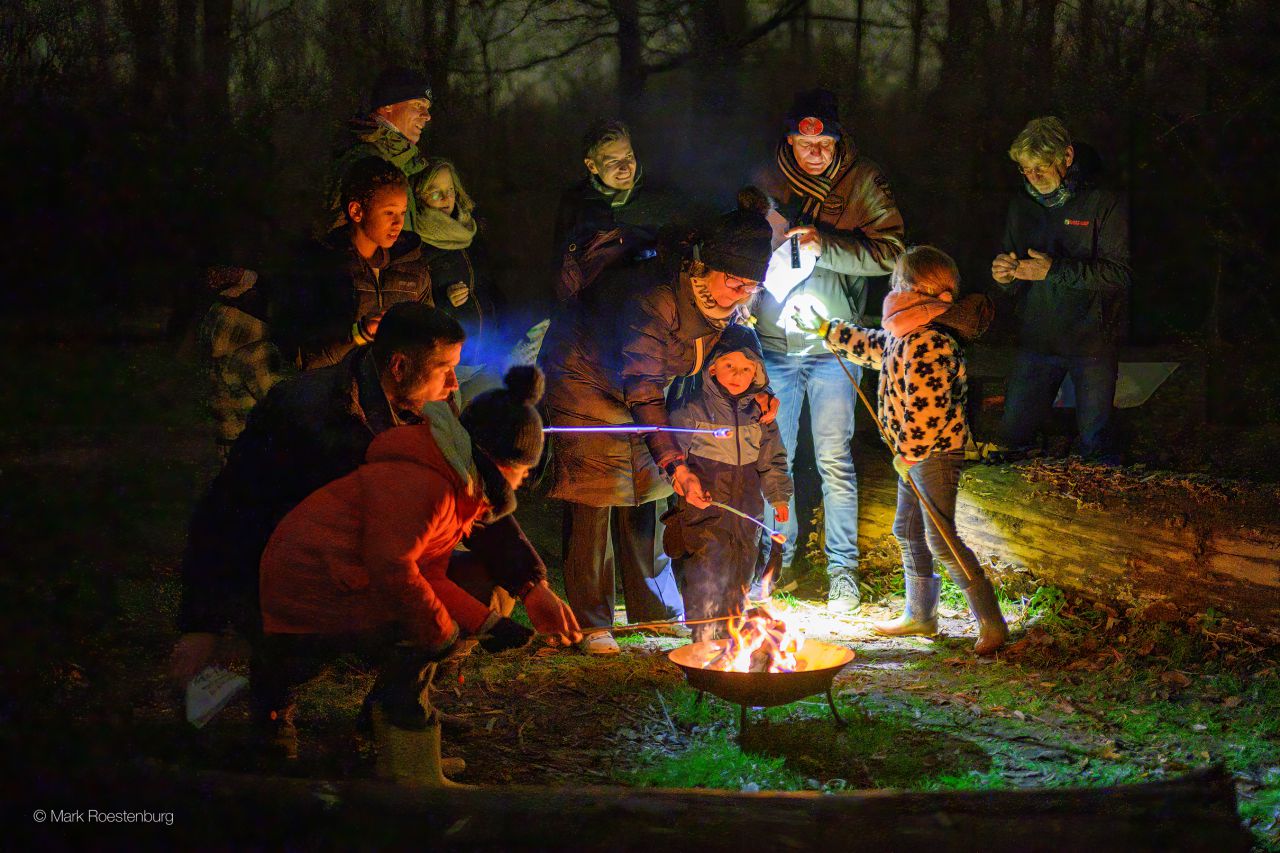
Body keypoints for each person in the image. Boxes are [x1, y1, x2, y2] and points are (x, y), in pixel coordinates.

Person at [170, 304, 578, 717]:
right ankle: (276, 702)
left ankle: (397, 706)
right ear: (399, 365)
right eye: (443, 368)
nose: (455, 384)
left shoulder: (433, 409)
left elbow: (472, 494)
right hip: (311, 568)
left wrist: (531, 586)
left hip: (381, 562)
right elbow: (230, 506)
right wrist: (201, 622)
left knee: (481, 588)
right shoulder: (306, 412)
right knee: (380, 605)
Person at [257, 366, 569, 783]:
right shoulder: (427, 486)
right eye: (525, 468)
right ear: (500, 461)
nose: (527, 478)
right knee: (424, 636)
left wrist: (489, 625)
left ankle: (400, 748)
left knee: (433, 627)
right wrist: (441, 632)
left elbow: (431, 575)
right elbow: (394, 568)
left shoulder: (453, 482)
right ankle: (409, 763)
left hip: (346, 582)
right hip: (316, 593)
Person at [541, 187, 777, 655]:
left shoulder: (724, 299)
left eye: (752, 287)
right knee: (596, 492)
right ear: (706, 267)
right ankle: (593, 622)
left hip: (638, 389)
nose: (742, 294)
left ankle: (651, 606)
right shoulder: (656, 300)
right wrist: (676, 462)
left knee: (646, 489)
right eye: (736, 283)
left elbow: (734, 348)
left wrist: (757, 392)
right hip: (582, 378)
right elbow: (643, 388)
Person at [796, 246, 1008, 654]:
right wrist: (829, 330)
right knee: (907, 530)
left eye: (898, 280)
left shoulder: (930, 339)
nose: (893, 285)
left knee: (941, 538)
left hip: (935, 455)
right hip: (914, 455)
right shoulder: (908, 331)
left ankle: (991, 623)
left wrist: (909, 453)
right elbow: (879, 348)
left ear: (914, 287)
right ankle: (921, 615)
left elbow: (928, 409)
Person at [751, 88, 906, 612]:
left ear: (838, 140)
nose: (812, 152)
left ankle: (843, 571)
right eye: (803, 142)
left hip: (831, 343)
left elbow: (893, 252)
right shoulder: (764, 181)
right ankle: (778, 563)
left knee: (834, 460)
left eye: (823, 143)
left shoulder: (863, 181)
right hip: (773, 343)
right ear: (789, 140)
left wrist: (827, 246)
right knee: (779, 459)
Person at [991, 116, 1131, 462]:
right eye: (1025, 170)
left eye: (1041, 167)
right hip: (1038, 338)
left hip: (1093, 342)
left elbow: (1120, 274)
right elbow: (1014, 271)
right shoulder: (1022, 206)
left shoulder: (1104, 203)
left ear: (1066, 157)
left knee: (1095, 443)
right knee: (1011, 438)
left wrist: (1054, 270)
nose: (1033, 178)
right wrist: (1003, 276)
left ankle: (1097, 508)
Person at [662, 325, 792, 643]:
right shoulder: (692, 411)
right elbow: (671, 453)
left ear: (758, 373)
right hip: (704, 510)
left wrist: (778, 496)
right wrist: (681, 485)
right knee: (706, 564)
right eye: (730, 365)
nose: (737, 374)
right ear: (713, 367)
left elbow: (772, 459)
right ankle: (703, 631)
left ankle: (731, 628)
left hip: (747, 510)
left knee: (742, 561)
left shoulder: (760, 417)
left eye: (747, 368)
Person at [292, 156, 434, 370]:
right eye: (389, 212)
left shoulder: (412, 266)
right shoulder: (322, 268)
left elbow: (430, 334)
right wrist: (360, 334)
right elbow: (307, 359)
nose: (398, 222)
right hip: (338, 394)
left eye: (402, 213)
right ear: (356, 211)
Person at [552, 119, 703, 301]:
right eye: (613, 161)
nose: (625, 168)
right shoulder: (576, 202)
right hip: (593, 305)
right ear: (592, 166)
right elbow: (560, 260)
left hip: (650, 301)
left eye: (628, 157)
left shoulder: (658, 194)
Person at [412, 158, 502, 403]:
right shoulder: (417, 242)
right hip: (450, 366)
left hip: (487, 356)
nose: (445, 198)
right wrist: (444, 300)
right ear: (419, 196)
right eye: (435, 192)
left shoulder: (471, 232)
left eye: (449, 191)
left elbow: (489, 287)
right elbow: (412, 304)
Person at [194, 269, 296, 458]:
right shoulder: (256, 354)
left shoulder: (217, 339)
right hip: (258, 449)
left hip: (229, 444)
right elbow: (287, 406)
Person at [324, 66, 434, 235]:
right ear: (388, 105)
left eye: (427, 107)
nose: (427, 115)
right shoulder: (363, 159)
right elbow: (341, 239)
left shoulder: (401, 161)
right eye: (418, 104)